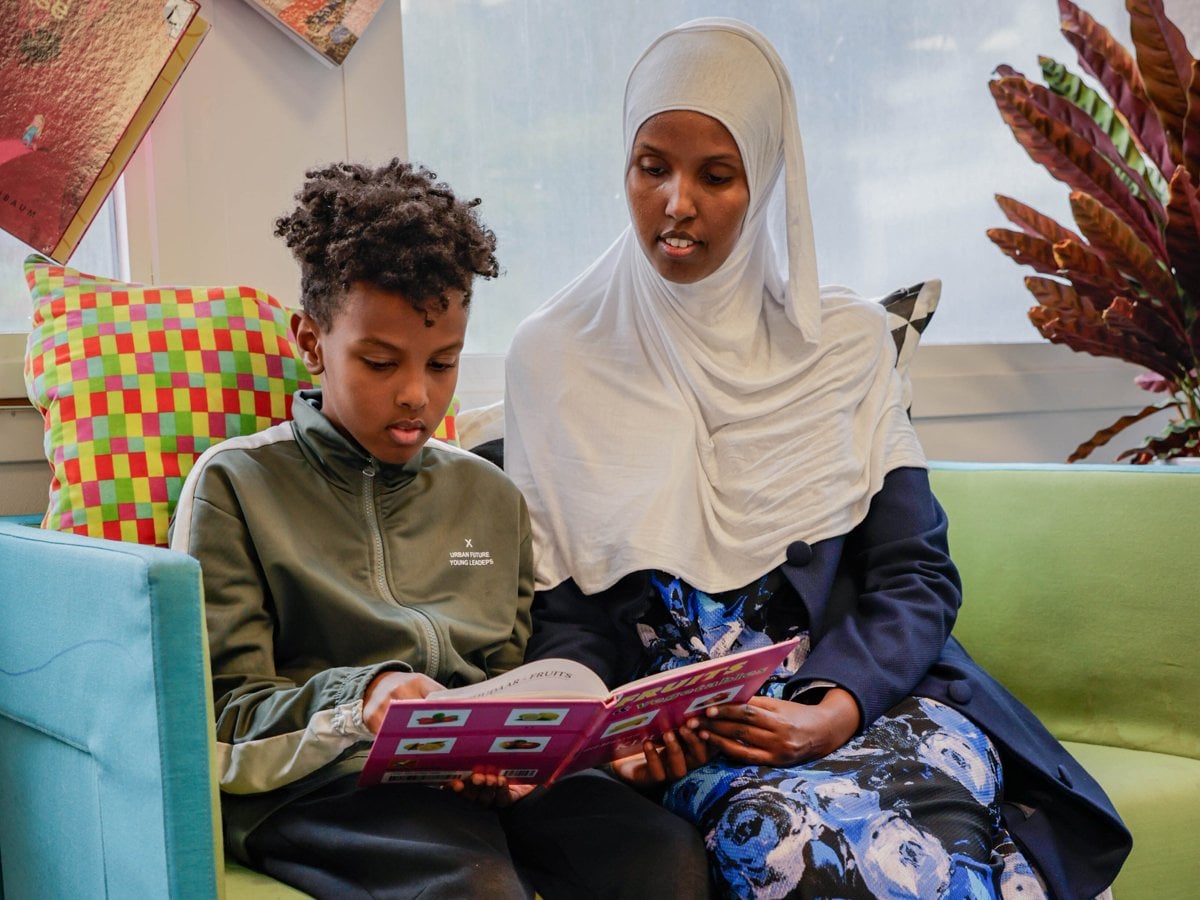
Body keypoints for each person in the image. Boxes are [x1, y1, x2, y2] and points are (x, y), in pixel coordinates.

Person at [504, 19, 1131, 899]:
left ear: (764, 186)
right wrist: (619, 740)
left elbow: (915, 576)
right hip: (710, 751)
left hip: (871, 706)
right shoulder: (555, 357)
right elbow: (563, 615)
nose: (676, 204)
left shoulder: (843, 343)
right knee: (807, 858)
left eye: (716, 176)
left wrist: (835, 709)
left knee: (955, 849)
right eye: (652, 166)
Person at [170, 159, 710, 899]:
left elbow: (509, 678)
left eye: (444, 362)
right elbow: (220, 717)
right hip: (326, 788)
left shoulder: (489, 498)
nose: (417, 396)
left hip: (469, 790)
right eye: (380, 362)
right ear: (309, 339)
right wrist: (365, 698)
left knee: (663, 858)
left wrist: (535, 759)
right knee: (475, 887)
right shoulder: (237, 486)